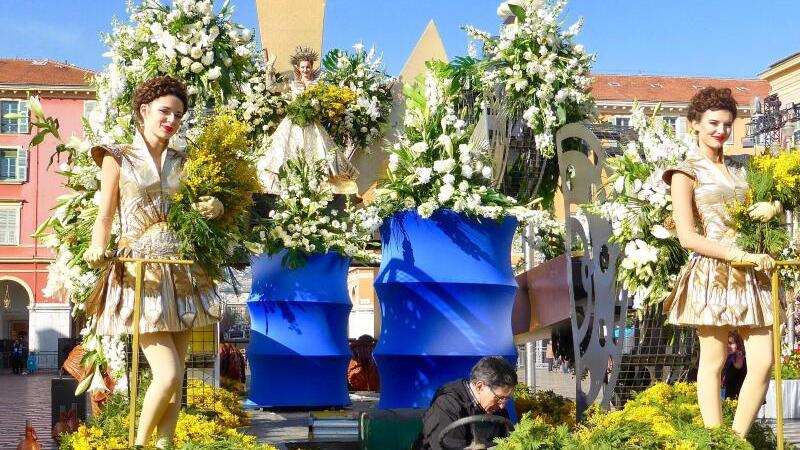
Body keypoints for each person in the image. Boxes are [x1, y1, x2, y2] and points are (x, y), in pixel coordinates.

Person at [82, 76, 223, 448]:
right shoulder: (117, 156)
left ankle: (165, 444)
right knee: (168, 373)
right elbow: (106, 214)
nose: (172, 120)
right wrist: (98, 246)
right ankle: (140, 445)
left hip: (183, 271)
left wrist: (217, 207)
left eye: (178, 114)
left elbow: (205, 204)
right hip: (140, 272)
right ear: (144, 111)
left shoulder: (186, 161)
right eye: (165, 111)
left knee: (178, 380)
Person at [662, 87, 781, 437]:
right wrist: (735, 254)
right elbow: (687, 236)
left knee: (764, 362)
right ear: (694, 125)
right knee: (713, 362)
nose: (721, 131)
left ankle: (735, 440)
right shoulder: (684, 173)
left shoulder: (741, 169)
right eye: (713, 123)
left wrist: (774, 208)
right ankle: (716, 440)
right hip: (713, 272)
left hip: (752, 270)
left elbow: (766, 205)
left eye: (727, 125)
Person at [257, 46, 357, 194]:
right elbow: (271, 87)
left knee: (319, 155)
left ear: (312, 67)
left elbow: (326, 103)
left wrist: (318, 106)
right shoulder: (292, 83)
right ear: (298, 67)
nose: (305, 70)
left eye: (308, 67)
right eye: (303, 67)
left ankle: (318, 188)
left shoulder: (319, 85)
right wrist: (269, 68)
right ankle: (285, 186)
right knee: (285, 154)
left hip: (312, 124)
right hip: (293, 123)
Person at [412, 356, 516, 450]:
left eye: (506, 399)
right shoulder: (446, 406)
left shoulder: (496, 408)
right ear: (480, 386)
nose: (502, 405)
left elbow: (507, 440)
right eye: (499, 398)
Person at [722, 331, 747, 400]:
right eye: (726, 343)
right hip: (727, 395)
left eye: (731, 343)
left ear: (738, 344)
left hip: (737, 397)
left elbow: (738, 367)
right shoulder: (725, 357)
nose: (728, 346)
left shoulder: (739, 357)